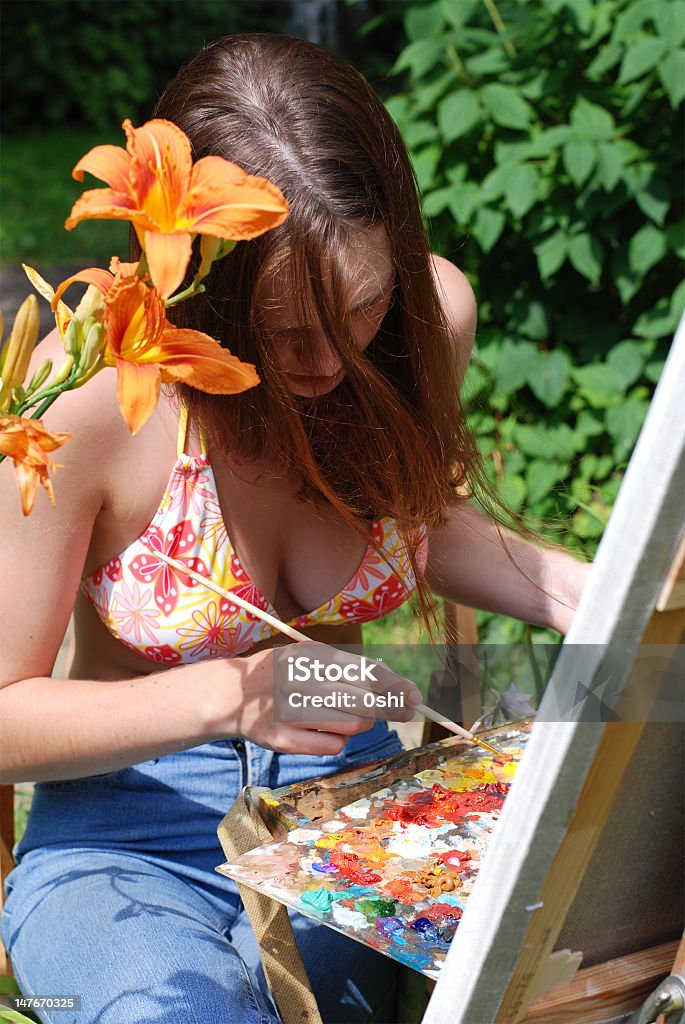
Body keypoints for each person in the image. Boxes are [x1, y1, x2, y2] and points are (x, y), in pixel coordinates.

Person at [0, 33, 590, 1024]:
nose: (330, 358)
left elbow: (412, 518)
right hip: (125, 829)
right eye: (281, 330)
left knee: (574, 970)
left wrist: (579, 591)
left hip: (351, 806)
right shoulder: (96, 392)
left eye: (360, 304)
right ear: (203, 287)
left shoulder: (425, 315)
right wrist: (234, 694)